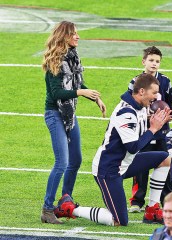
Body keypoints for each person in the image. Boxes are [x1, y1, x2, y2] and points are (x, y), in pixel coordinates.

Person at [41, 21, 106, 224]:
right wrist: (80, 92)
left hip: (69, 116)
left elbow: (76, 83)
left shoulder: (72, 57)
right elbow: (56, 93)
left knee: (75, 160)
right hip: (55, 114)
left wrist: (94, 97)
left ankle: (64, 200)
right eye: (74, 34)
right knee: (62, 163)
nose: (78, 37)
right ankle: (47, 209)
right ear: (65, 36)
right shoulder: (56, 60)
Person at [91, 73, 172, 226]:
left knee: (164, 158)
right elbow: (134, 147)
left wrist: (155, 121)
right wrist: (153, 129)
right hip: (109, 169)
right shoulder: (126, 113)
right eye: (154, 92)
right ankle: (70, 208)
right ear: (142, 91)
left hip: (125, 163)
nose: (156, 96)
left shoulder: (140, 105)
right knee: (119, 221)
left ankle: (152, 209)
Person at [127, 46, 172, 221]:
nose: (154, 64)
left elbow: (171, 104)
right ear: (143, 62)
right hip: (143, 130)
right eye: (151, 60)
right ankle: (137, 201)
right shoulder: (135, 81)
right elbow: (131, 104)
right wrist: (144, 115)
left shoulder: (166, 81)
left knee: (165, 163)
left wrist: (170, 114)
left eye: (157, 61)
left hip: (162, 130)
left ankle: (164, 200)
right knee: (140, 164)